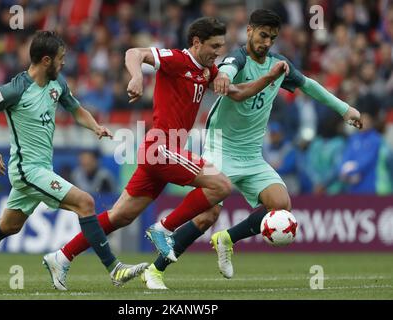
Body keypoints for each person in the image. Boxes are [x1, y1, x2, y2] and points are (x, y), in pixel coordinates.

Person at [42, 17, 290, 290]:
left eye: (222, 45)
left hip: (165, 152)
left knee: (120, 216)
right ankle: (163, 229)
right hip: (160, 146)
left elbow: (238, 93)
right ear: (197, 43)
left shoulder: (207, 72)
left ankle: (61, 256)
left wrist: (268, 78)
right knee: (220, 185)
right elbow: (134, 53)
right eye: (215, 46)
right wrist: (137, 76)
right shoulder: (176, 60)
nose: (219, 52)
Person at [144, 9, 362, 289]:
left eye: (272, 38)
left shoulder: (279, 65)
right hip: (221, 148)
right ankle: (155, 270)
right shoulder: (238, 57)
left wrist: (345, 109)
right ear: (249, 31)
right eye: (262, 35)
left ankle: (226, 239)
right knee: (206, 216)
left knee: (282, 205)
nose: (266, 42)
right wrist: (223, 75)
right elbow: (228, 68)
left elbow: (309, 86)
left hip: (251, 155)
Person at [0, 31, 148, 291]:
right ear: (45, 60)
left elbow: (75, 108)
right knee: (85, 202)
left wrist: (95, 127)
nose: (64, 63)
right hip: (26, 170)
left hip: (41, 168)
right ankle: (113, 269)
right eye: (61, 58)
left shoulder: (57, 84)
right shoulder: (15, 89)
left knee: (10, 226)